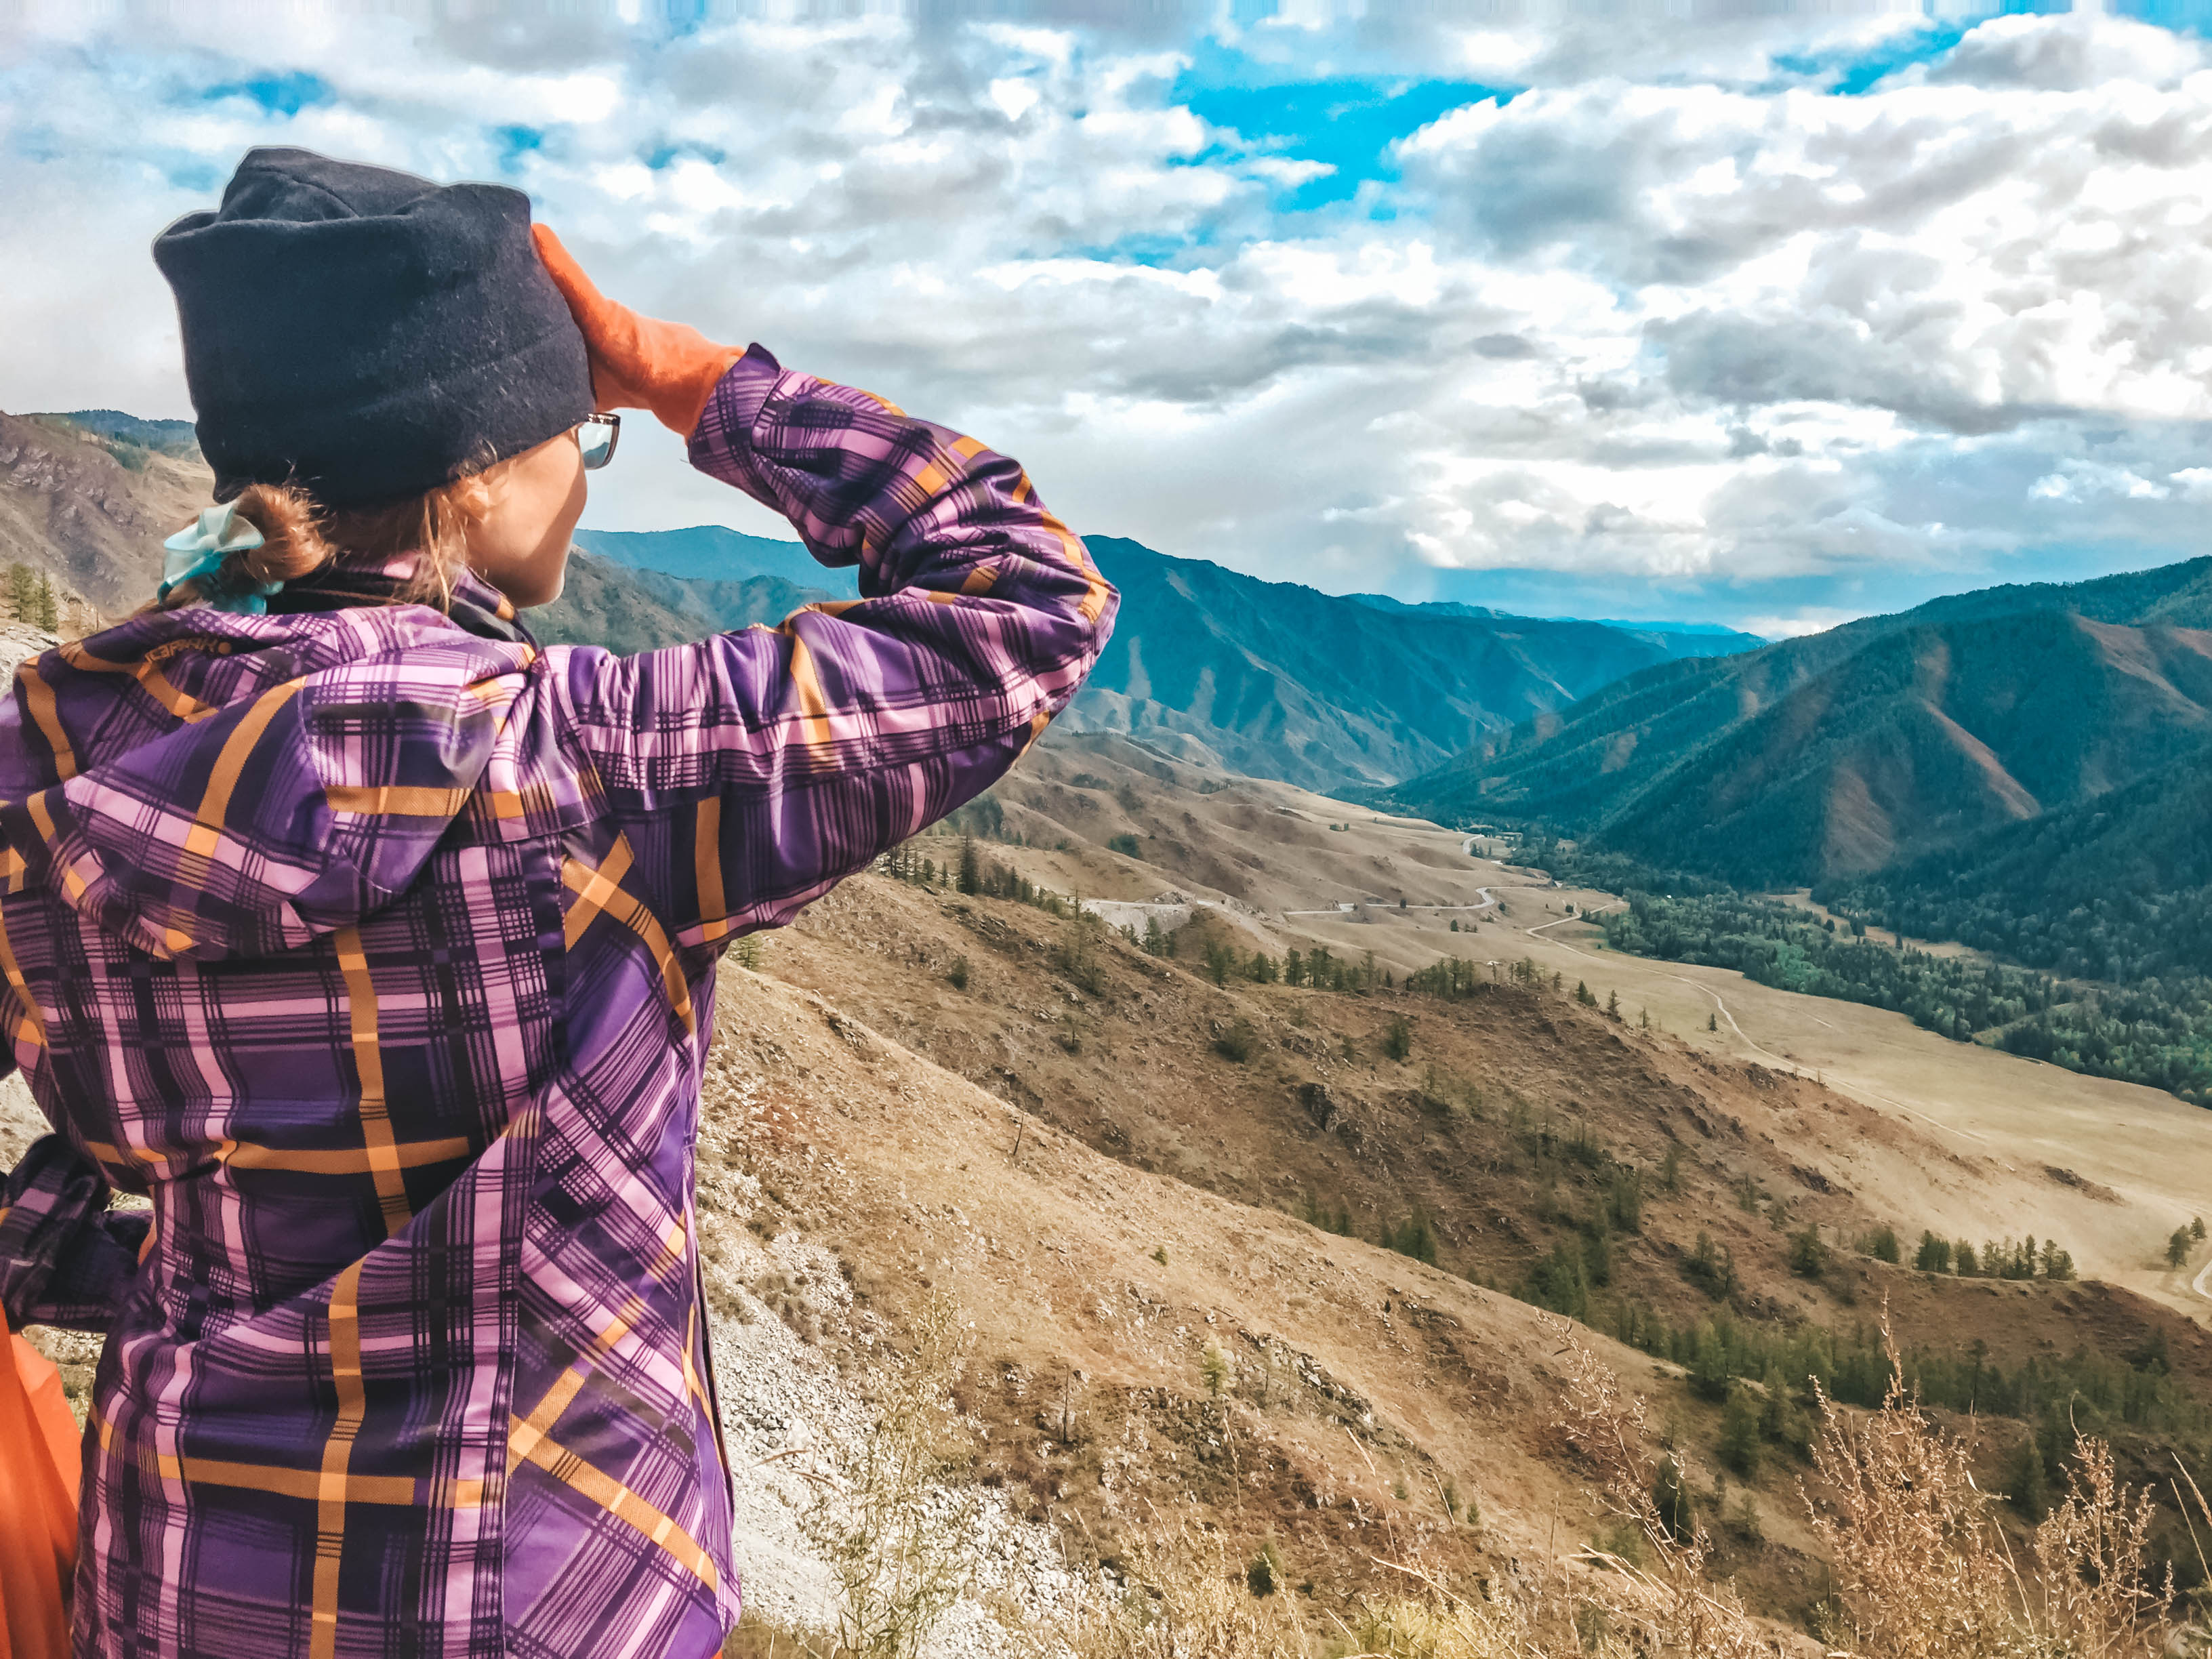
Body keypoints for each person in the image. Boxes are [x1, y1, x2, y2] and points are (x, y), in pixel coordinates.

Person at [0, 147, 1115, 1659]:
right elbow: (1027, 602)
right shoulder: (591, 768)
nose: (587, 481)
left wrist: (166, 1272)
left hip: (182, 1585)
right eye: (582, 438)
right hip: (550, 1595)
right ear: (472, 474)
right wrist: (697, 381)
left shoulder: (48, 763)